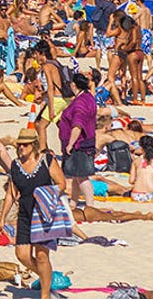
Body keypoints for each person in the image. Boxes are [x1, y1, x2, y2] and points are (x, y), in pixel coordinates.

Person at [0, 128, 67, 299]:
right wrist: (2, 218)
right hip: (25, 213)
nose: (21, 148)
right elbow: (11, 194)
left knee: (42, 256)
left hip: (43, 212)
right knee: (22, 254)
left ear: (34, 145)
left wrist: (46, 195)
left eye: (25, 145)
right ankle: (47, 277)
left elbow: (62, 183)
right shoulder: (15, 165)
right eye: (19, 144)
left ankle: (45, 295)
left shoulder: (47, 160)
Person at [56, 71, 97, 207]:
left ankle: (90, 204)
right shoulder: (89, 97)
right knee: (76, 175)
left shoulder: (80, 103)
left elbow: (78, 125)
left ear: (74, 85)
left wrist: (70, 144)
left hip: (79, 143)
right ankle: (73, 201)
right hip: (88, 141)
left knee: (82, 176)